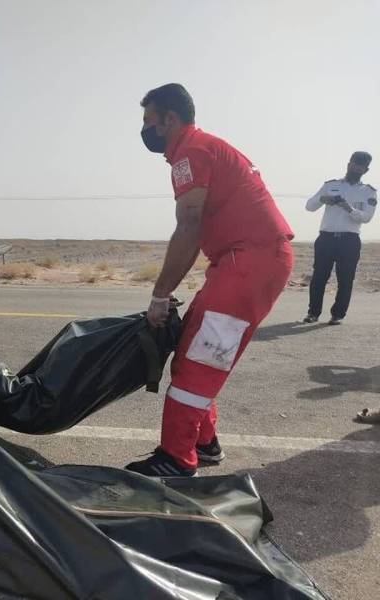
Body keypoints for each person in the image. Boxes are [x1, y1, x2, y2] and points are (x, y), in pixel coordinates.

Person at [125, 84, 294, 477]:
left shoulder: (191, 151)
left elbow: (189, 225)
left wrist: (160, 295)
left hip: (249, 262)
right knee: (193, 350)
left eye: (150, 122)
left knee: (198, 362)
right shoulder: (201, 148)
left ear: (171, 119)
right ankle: (204, 442)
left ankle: (177, 459)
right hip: (244, 260)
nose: (146, 130)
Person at [303, 152, 376, 325]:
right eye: (354, 164)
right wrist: (323, 198)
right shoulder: (331, 185)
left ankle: (338, 314)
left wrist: (348, 208)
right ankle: (313, 313)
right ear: (348, 164)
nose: (355, 168)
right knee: (319, 277)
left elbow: (366, 218)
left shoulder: (368, 192)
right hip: (326, 238)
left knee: (345, 278)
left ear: (365, 170)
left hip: (349, 240)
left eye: (360, 166)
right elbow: (309, 206)